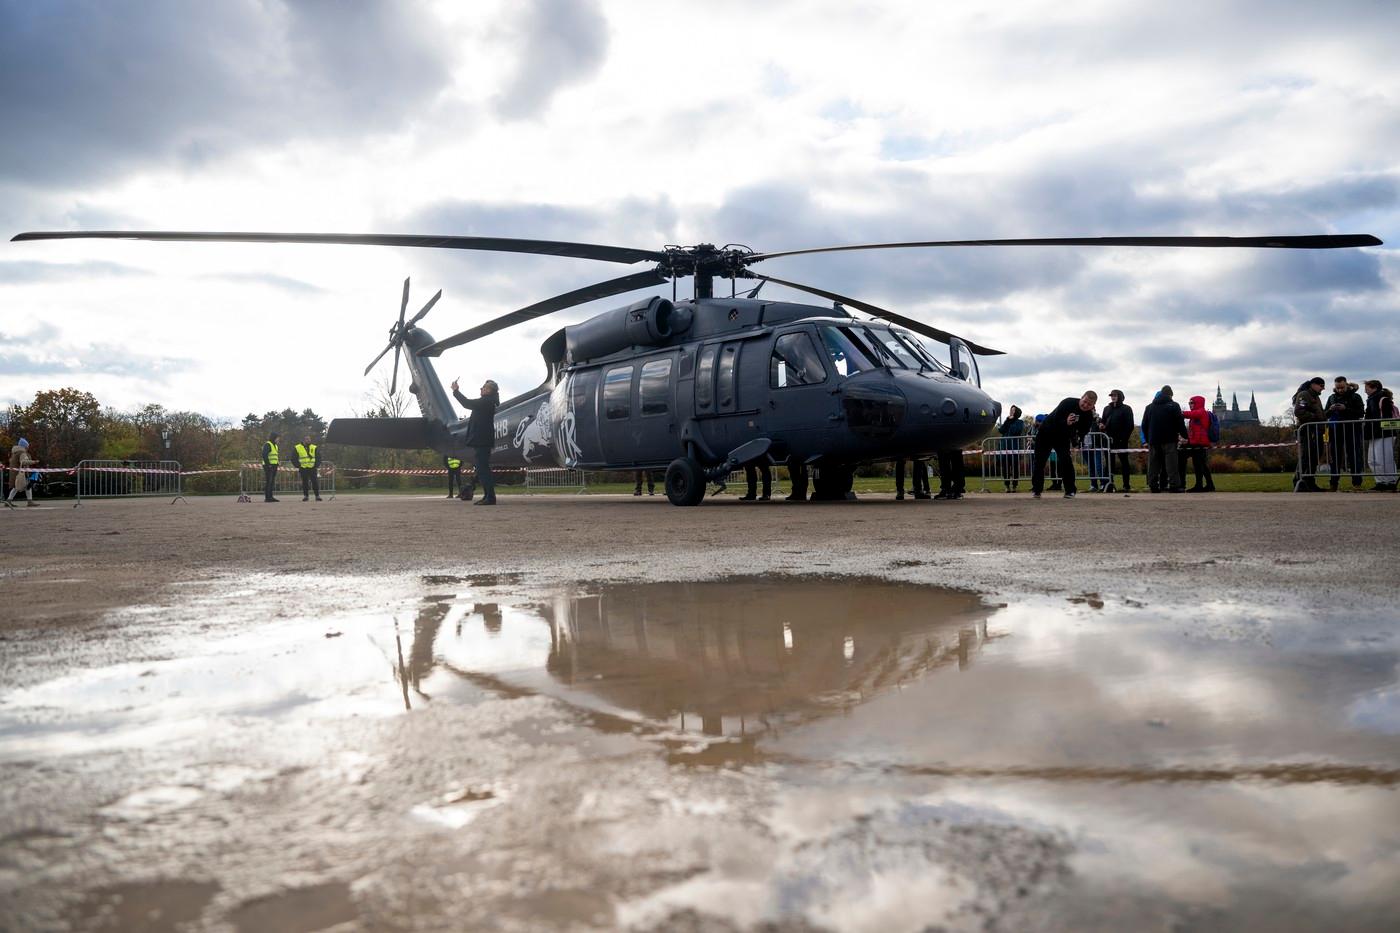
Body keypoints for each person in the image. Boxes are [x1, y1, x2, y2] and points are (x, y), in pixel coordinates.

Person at [1031, 391, 1097, 498]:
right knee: (1039, 461)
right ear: (1081, 398)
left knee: (1066, 461)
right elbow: (1056, 419)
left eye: (1089, 404)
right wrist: (1065, 422)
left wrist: (1077, 443)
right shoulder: (1068, 403)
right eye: (1084, 402)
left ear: (1093, 405)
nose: (1085, 405)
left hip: (1062, 437)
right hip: (1046, 432)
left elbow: (1082, 432)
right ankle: (1037, 490)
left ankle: (1070, 490)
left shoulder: (1088, 416)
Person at [452, 377, 500, 506]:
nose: (481, 388)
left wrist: (456, 391)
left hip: (481, 440)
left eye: (484, 387)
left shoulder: (486, 401)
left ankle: (490, 497)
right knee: (482, 469)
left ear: (490, 390)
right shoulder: (489, 401)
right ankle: (488, 496)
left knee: (483, 470)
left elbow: (466, 403)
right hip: (483, 440)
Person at [1143, 386, 1187, 493]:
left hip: (1153, 440)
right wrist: (1185, 436)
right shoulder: (1174, 405)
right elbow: (1179, 423)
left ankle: (1153, 485)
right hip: (1169, 439)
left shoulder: (1149, 407)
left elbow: (1144, 425)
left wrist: (1148, 438)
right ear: (1170, 395)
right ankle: (1174, 486)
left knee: (1153, 464)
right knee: (1171, 464)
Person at [1324, 376, 1366, 491]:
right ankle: (1333, 484)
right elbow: (1325, 414)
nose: (1340, 390)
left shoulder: (1356, 396)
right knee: (1335, 458)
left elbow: (1361, 413)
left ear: (1346, 385)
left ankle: (1357, 484)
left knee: (1354, 457)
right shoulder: (1331, 398)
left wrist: (1345, 409)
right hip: (1335, 431)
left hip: (1352, 430)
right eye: (1338, 388)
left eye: (1342, 387)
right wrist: (1331, 409)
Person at [1292, 377, 1327, 492]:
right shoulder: (1304, 395)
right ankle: (1299, 481)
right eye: (1321, 386)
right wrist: (1315, 419)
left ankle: (1310, 482)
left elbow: (1320, 414)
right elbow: (1299, 411)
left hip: (1316, 430)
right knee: (1307, 457)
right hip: (1308, 430)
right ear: (1313, 384)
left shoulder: (1315, 397)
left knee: (1314, 457)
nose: (1323, 388)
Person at [1362, 380, 1398, 492]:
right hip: (1375, 433)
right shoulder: (1372, 400)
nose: (1365, 390)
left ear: (1375, 387)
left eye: (1367, 388)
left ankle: (1389, 481)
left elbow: (1385, 418)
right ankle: (1381, 481)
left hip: (1384, 434)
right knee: (1373, 459)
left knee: (1384, 458)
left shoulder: (1383, 400)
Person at [1179, 395, 1217, 492]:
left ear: (1198, 403)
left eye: (1192, 403)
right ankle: (1209, 485)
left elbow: (1188, 414)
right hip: (1196, 442)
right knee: (1202, 464)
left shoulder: (1201, 412)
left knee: (1198, 463)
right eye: (1189, 403)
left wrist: (1179, 413)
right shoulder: (1196, 414)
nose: (1190, 405)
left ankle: (1199, 485)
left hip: (1200, 443)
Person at [1100, 390, 1135, 493]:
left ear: (1120, 397)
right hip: (1108, 440)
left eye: (1115, 395)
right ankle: (1109, 485)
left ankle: (1126, 485)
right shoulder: (1106, 409)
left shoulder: (1127, 409)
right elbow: (1103, 422)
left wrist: (1123, 438)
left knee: (1124, 463)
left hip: (1121, 441)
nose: (1113, 397)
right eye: (1112, 395)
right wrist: (1102, 426)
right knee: (1109, 464)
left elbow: (1130, 426)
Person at [997, 406, 1027, 492]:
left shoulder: (1020, 422)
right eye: (1011, 410)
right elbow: (1001, 430)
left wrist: (1012, 421)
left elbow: (1016, 431)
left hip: (1015, 448)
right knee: (1005, 468)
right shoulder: (1007, 421)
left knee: (1015, 468)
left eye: (1013, 410)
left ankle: (1014, 486)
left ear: (1016, 412)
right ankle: (1007, 486)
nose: (1011, 412)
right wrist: (1007, 421)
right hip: (1005, 448)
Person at [5, 438, 37, 508]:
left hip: (15, 472)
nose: (28, 447)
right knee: (22, 486)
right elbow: (24, 462)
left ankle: (9, 501)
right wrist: (34, 462)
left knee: (21, 486)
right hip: (21, 473)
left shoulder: (14, 453)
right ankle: (29, 502)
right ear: (24, 446)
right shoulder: (22, 452)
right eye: (27, 446)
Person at [294, 433, 322, 502]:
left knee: (314, 482)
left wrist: (316, 465)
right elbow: (293, 458)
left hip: (312, 468)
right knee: (305, 482)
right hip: (303, 468)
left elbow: (318, 457)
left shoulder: (314, 447)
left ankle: (317, 496)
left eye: (309, 439)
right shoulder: (297, 447)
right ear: (304, 440)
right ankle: (306, 496)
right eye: (307, 439)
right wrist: (298, 465)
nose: (309, 440)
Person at [262, 431, 281, 503]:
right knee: (269, 481)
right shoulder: (268, 444)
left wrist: (277, 462)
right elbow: (264, 455)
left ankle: (271, 496)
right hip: (269, 466)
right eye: (278, 438)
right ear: (274, 438)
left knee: (272, 482)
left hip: (274, 465)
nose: (278, 439)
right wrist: (268, 464)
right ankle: (267, 497)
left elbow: (274, 455)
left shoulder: (275, 445)